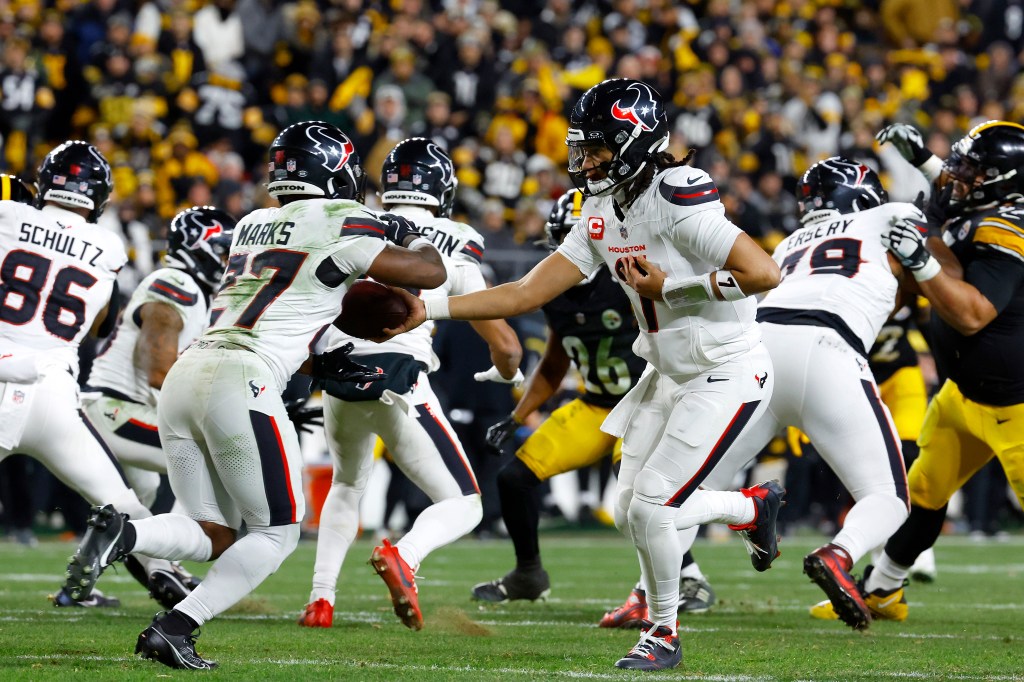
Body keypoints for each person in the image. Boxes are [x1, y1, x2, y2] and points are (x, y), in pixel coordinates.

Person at [381, 79, 785, 671]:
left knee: (651, 507)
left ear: (637, 142)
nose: (586, 160)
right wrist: (430, 308)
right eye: (583, 147)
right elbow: (522, 292)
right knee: (628, 513)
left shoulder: (676, 195)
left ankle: (664, 632)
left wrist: (670, 287)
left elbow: (763, 272)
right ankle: (750, 510)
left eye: (598, 148)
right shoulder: (599, 212)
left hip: (726, 366)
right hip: (665, 373)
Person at [60, 120, 448, 670]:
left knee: (211, 530)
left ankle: (127, 532)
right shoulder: (345, 218)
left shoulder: (251, 223)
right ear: (334, 171)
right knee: (279, 531)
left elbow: (288, 296)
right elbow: (429, 273)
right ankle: (177, 625)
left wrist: (316, 356)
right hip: (243, 376)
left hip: (189, 376)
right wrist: (404, 229)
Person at [692, 157, 927, 630]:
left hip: (758, 354)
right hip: (827, 348)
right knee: (889, 498)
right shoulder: (886, 216)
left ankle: (652, 591)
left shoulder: (786, 245)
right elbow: (933, 237)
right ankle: (840, 553)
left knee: (691, 486)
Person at [298, 137, 522, 631]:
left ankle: (320, 600)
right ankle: (406, 556)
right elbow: (503, 342)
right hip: (399, 379)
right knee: (464, 504)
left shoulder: (353, 219)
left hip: (337, 371)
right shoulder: (454, 239)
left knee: (347, 483)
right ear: (443, 187)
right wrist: (507, 372)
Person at [471, 189, 717, 623]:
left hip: (644, 401)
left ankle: (689, 576)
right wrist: (516, 415)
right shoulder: (555, 294)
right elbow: (554, 360)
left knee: (641, 493)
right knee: (514, 478)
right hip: (595, 405)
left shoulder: (629, 275)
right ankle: (528, 574)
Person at [863, 120, 1024, 619]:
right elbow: (954, 203)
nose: (955, 173)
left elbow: (973, 315)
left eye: (971, 168)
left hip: (1016, 404)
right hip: (963, 395)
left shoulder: (1008, 227)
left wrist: (920, 260)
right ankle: (882, 592)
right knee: (925, 493)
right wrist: (924, 159)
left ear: (1000, 180)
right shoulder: (978, 202)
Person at [0, 142, 157, 608]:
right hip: (53, 391)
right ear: (102, 196)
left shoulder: (7, 214)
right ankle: (172, 580)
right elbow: (99, 323)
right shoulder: (109, 245)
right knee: (123, 506)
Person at [80, 206, 235, 608]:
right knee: (213, 457)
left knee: (136, 501)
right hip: (115, 408)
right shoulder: (175, 282)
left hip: (119, 410)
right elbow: (156, 368)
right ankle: (168, 565)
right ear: (196, 248)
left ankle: (77, 587)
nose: (226, 260)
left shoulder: (193, 290)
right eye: (220, 250)